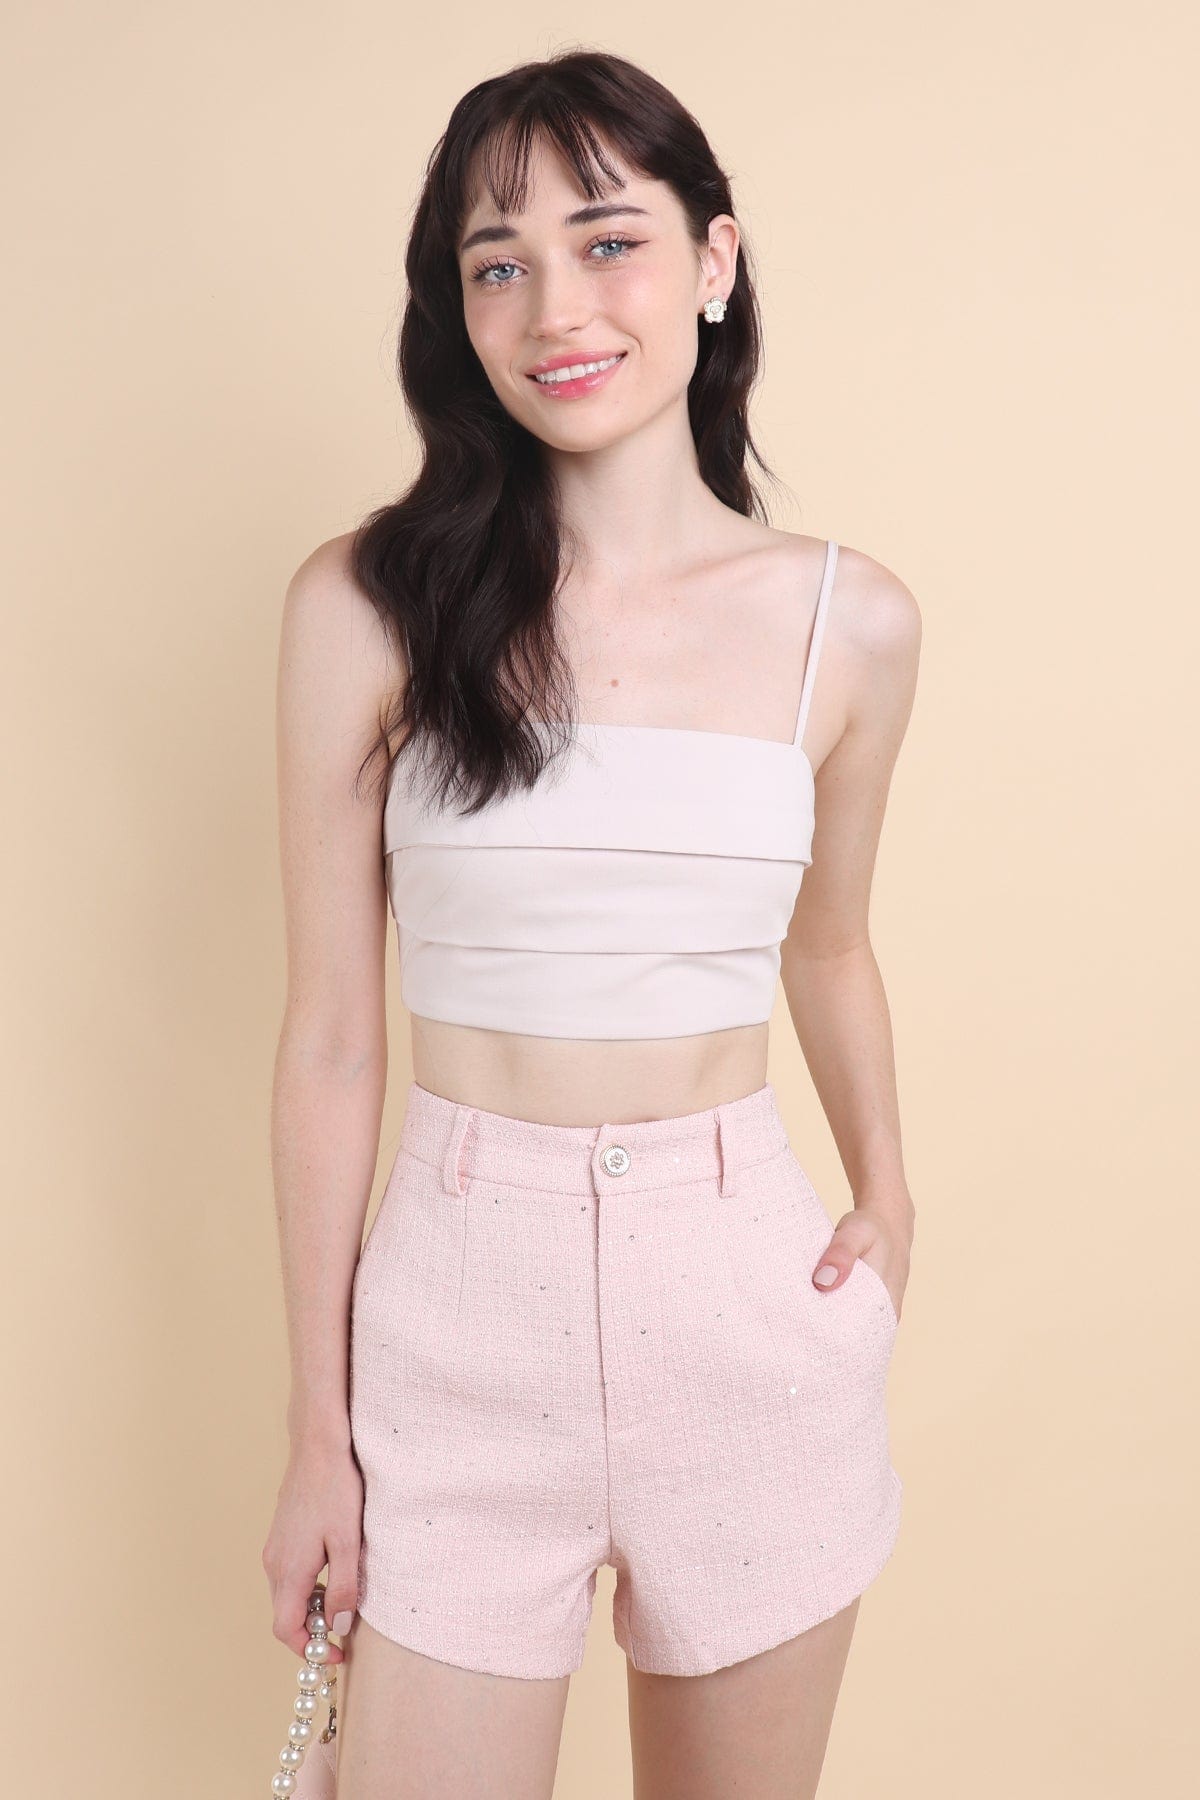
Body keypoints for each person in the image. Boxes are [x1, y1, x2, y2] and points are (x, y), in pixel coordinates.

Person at [261, 47, 921, 1800]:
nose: (556, 305)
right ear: (460, 311)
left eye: (608, 240)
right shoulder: (368, 606)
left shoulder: (848, 625)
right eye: (499, 262)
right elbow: (331, 1038)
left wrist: (888, 1193)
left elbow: (830, 945)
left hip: (746, 1303)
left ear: (714, 260)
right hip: (457, 1313)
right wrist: (320, 1429)